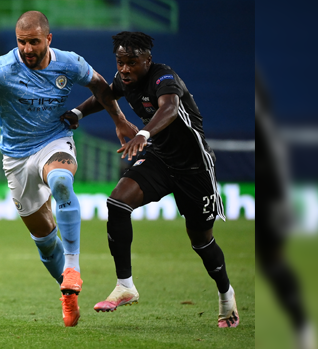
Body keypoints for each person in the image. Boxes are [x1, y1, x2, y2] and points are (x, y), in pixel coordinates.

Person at [0, 11, 138, 327]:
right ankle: (68, 292)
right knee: (44, 240)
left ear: (48, 39)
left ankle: (73, 266)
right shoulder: (2, 67)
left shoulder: (69, 62)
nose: (27, 49)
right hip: (15, 157)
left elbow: (100, 86)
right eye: (21, 42)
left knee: (60, 181)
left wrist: (120, 120)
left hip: (54, 141)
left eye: (34, 42)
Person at [62, 31, 238, 328]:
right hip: (160, 159)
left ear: (148, 60)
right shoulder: (124, 79)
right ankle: (125, 285)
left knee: (201, 241)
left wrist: (143, 133)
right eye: (120, 62)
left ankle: (226, 295)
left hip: (194, 167)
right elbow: (105, 94)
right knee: (117, 202)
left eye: (132, 62)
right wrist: (79, 111)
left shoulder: (163, 78)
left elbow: (169, 108)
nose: (125, 69)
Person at [256, 70, 315, 349]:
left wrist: (280, 198)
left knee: (272, 261)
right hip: (269, 188)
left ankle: (301, 325)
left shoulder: (265, 124)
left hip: (269, 192)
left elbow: (275, 151)